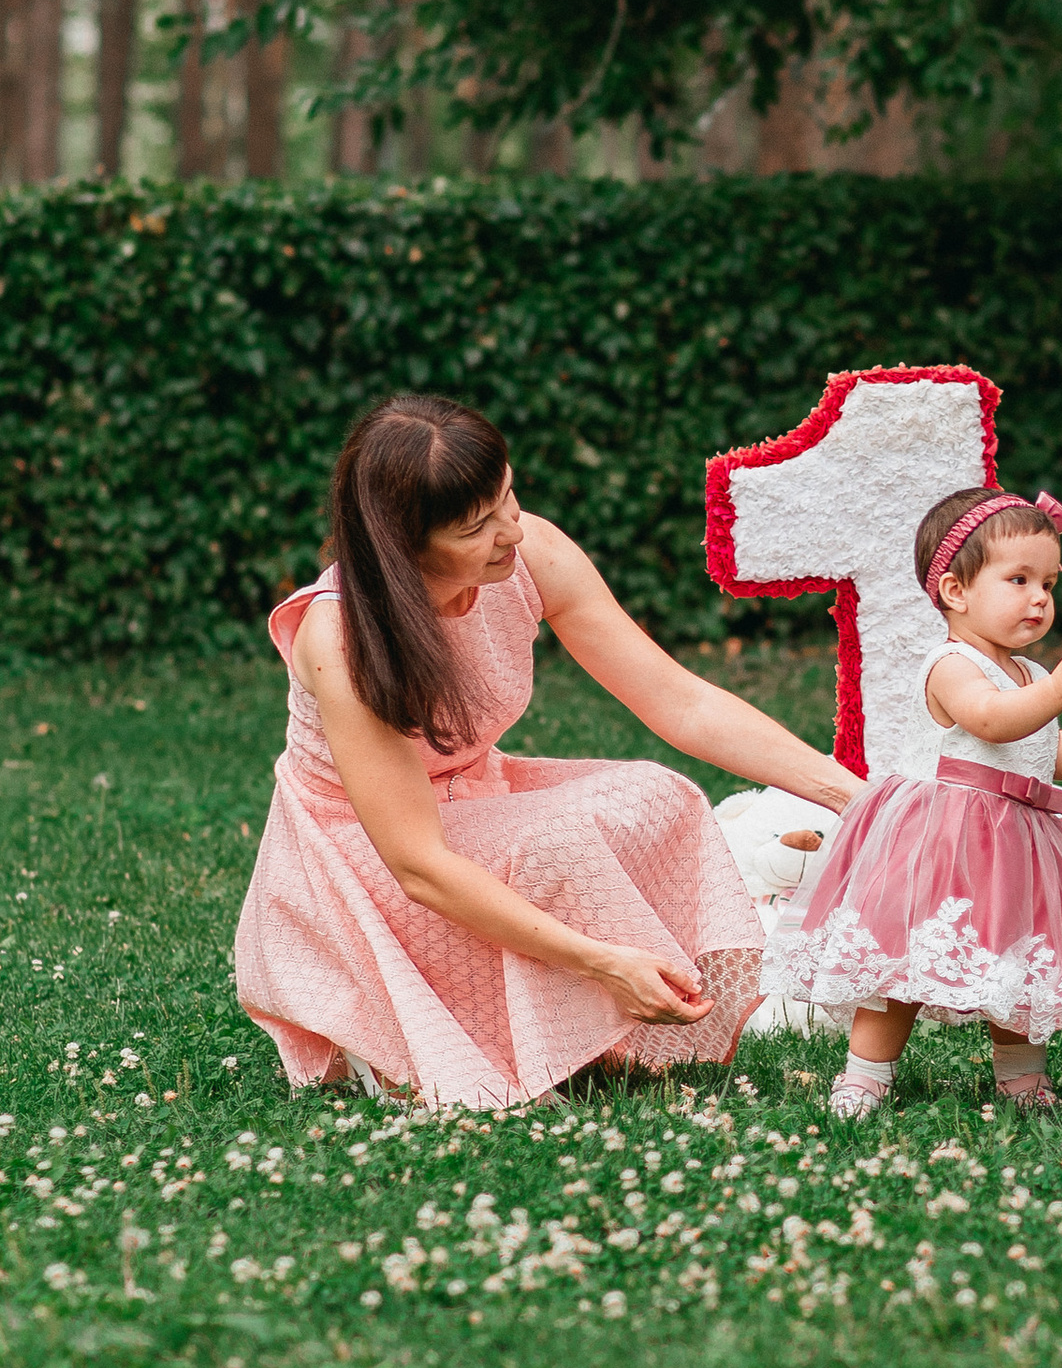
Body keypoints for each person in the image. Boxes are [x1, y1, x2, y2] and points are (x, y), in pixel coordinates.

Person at [236, 395, 860, 1109]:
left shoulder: (533, 549)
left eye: (510, 497)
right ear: (404, 545)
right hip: (363, 857)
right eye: (477, 526)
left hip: (477, 796)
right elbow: (418, 865)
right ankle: (524, 1022)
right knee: (559, 841)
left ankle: (593, 1031)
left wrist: (849, 795)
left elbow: (678, 701)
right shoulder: (342, 640)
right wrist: (603, 964)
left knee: (662, 797)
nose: (510, 531)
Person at [760, 485, 1062, 1119]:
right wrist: (1060, 690)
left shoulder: (1030, 677)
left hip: (1014, 844)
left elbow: (1043, 750)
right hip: (941, 840)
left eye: (1049, 582)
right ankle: (864, 1076)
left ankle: (1022, 1079)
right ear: (955, 591)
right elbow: (991, 722)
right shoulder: (951, 666)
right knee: (897, 966)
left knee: (1016, 966)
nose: (1040, 597)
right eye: (1019, 579)